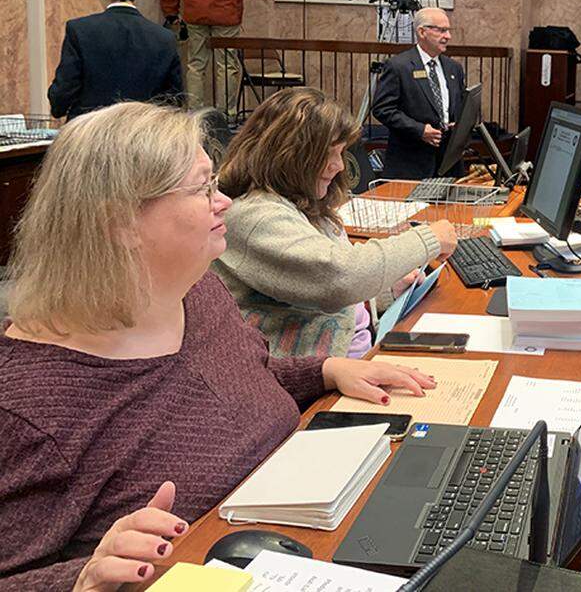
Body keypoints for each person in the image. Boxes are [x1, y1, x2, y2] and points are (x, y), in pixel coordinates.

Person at [0, 102, 438, 590]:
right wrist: (82, 577)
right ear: (119, 222)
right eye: (202, 188)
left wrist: (325, 370)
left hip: (315, 519)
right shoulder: (27, 410)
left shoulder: (197, 289)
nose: (224, 200)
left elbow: (245, 373)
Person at [214, 87, 458, 357]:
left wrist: (384, 292)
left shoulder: (301, 203)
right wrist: (428, 239)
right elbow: (340, 277)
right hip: (317, 382)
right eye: (328, 154)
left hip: (350, 360)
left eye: (341, 153)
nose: (340, 166)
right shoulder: (254, 215)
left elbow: (317, 297)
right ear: (290, 155)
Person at [47, 0, 183, 120]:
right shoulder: (164, 38)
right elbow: (173, 98)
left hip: (89, 132)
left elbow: (65, 87)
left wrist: (58, 108)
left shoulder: (80, 30)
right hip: (142, 134)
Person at [371, 7, 466, 180]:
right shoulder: (398, 66)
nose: (448, 36)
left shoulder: (454, 68)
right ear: (422, 32)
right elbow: (382, 109)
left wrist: (457, 124)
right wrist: (419, 130)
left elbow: (460, 105)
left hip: (448, 163)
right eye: (442, 30)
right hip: (411, 164)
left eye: (448, 31)